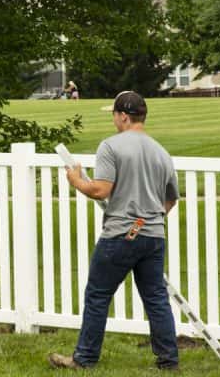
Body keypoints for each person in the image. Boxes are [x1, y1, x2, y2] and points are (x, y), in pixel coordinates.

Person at [48, 90, 179, 371]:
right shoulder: (162, 152)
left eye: (114, 115)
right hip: (153, 235)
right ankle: (169, 360)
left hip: (121, 234)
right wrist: (148, 219)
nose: (113, 120)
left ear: (123, 116)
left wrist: (75, 181)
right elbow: (170, 199)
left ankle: (84, 358)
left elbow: (100, 190)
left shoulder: (112, 146)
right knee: (156, 298)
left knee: (97, 294)